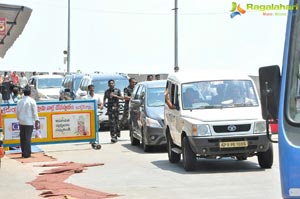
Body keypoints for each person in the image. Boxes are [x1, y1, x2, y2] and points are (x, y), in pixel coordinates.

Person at [16, 86, 39, 158]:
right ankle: (27, 154)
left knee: (22, 138)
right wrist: (36, 120)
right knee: (27, 138)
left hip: (22, 122)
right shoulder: (32, 101)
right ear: (30, 93)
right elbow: (35, 112)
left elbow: (17, 111)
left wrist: (18, 119)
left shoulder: (20, 101)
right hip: (29, 122)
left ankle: (23, 153)